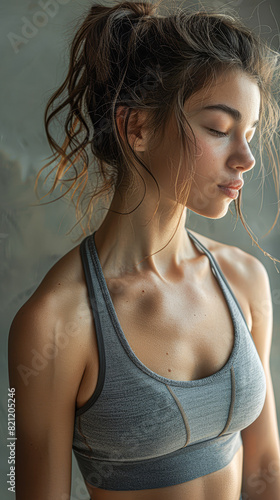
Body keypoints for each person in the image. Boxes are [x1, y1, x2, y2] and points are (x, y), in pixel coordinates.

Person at [8, 1, 280, 499]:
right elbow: (23, 481)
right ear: (137, 128)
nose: (246, 158)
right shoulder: (56, 322)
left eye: (249, 134)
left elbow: (266, 467)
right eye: (219, 130)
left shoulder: (245, 280)